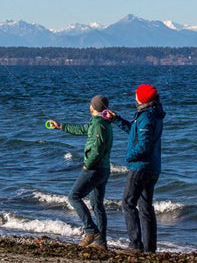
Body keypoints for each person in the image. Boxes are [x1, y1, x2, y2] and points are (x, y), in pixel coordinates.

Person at [107, 84, 165, 253]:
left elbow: (144, 145)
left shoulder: (147, 117)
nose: (135, 98)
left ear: (143, 99)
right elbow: (134, 132)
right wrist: (116, 119)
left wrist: (129, 156)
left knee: (127, 203)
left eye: (137, 95)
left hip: (140, 167)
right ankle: (149, 248)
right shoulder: (153, 114)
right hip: (152, 167)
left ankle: (135, 245)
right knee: (146, 207)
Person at [51, 94, 113, 249]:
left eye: (91, 104)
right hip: (103, 169)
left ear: (92, 107)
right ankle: (101, 243)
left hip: (95, 169)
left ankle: (91, 231)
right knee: (97, 204)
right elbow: (82, 129)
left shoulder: (99, 124)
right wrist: (61, 126)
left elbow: (97, 149)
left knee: (73, 196)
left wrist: (88, 165)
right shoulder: (100, 121)